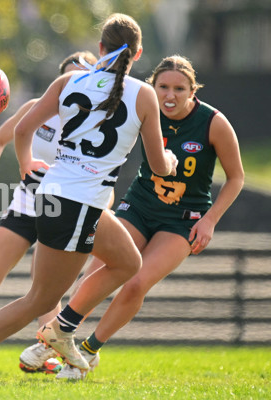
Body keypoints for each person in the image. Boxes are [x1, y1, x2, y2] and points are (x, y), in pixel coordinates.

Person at [0, 13, 178, 385]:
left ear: (100, 49)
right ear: (138, 53)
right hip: (77, 203)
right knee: (39, 298)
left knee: (129, 261)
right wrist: (171, 160)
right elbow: (158, 166)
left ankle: (62, 329)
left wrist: (26, 165)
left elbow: (22, 129)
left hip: (65, 196)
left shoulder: (69, 80)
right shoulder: (144, 93)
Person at [59, 55, 244, 380]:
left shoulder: (212, 122)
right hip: (140, 206)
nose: (170, 95)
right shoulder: (145, 110)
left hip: (182, 219)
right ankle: (58, 339)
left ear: (192, 90)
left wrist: (210, 220)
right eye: (163, 87)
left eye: (179, 88)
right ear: (152, 87)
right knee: (100, 267)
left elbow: (236, 178)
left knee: (136, 283)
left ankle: (88, 352)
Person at [0, 51, 98, 376]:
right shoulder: (37, 110)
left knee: (45, 293)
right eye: (66, 77)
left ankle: (44, 354)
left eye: (82, 77)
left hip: (66, 211)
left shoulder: (101, 121)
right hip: (26, 206)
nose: (73, 84)